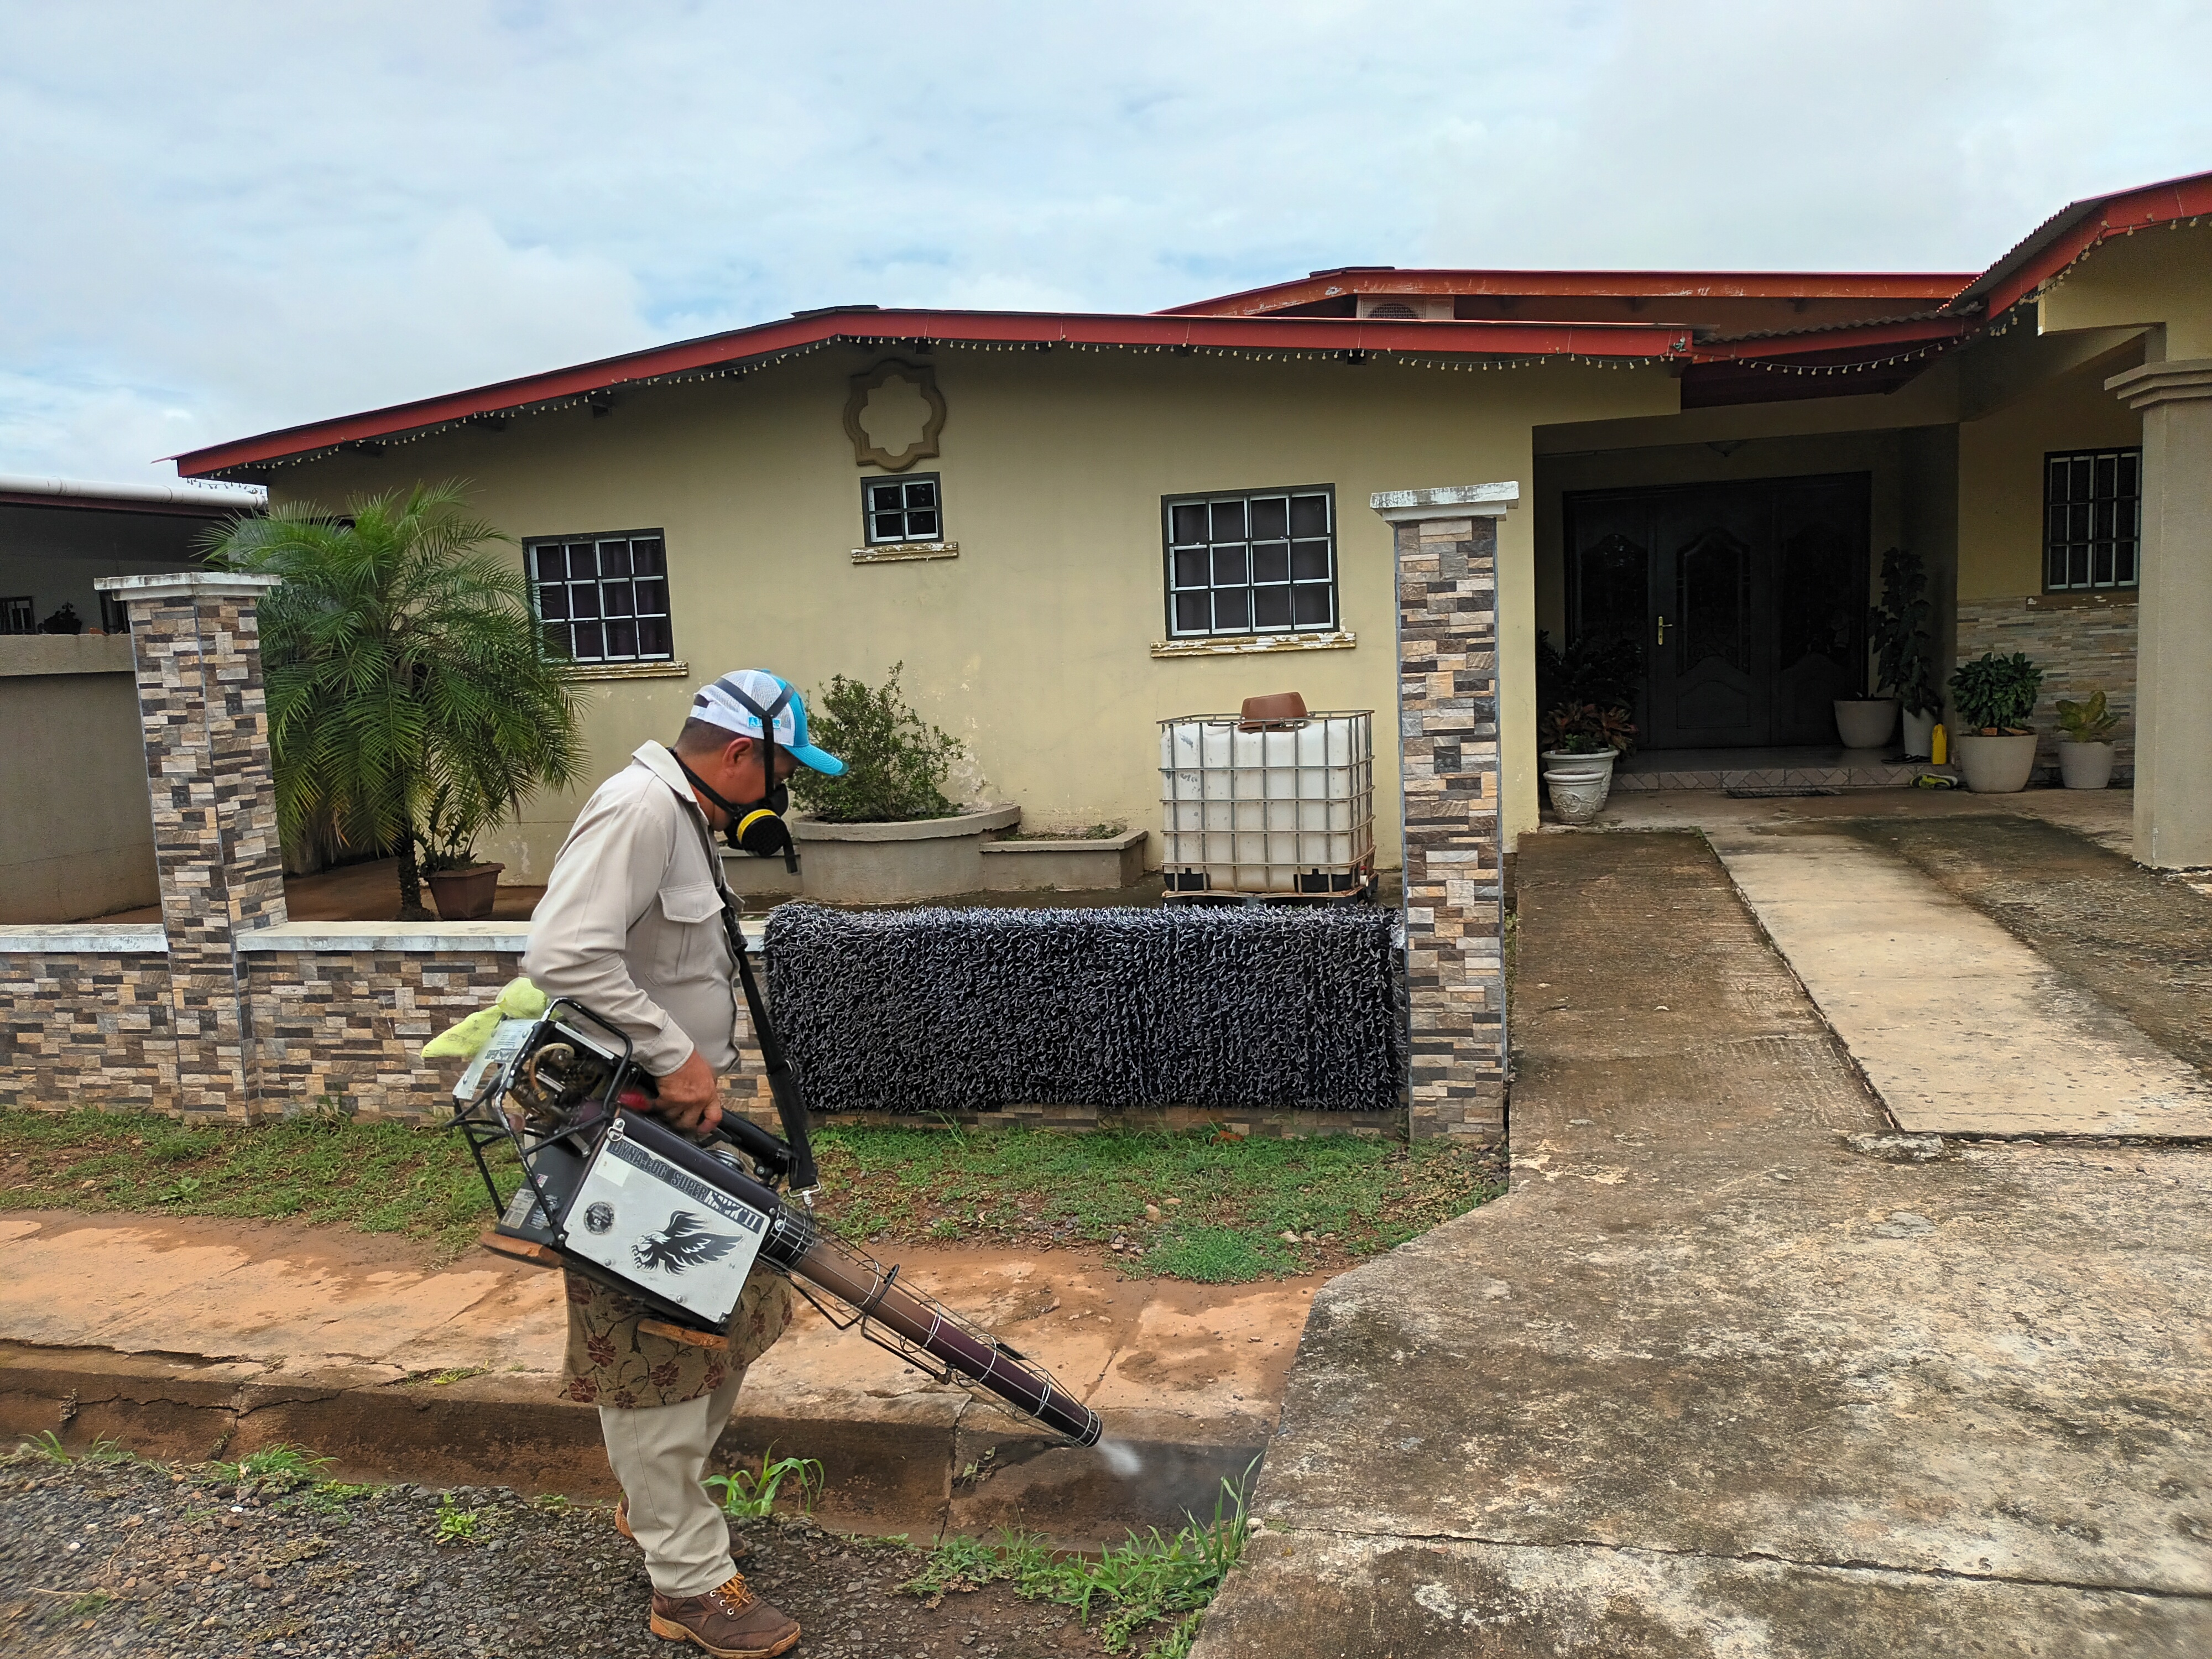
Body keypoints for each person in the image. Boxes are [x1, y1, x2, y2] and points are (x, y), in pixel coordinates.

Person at [522, 668, 844, 1659]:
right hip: (615, 1123)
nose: (783, 792)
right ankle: (689, 1583)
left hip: (666, 1120)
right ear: (742, 755)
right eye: (784, 771)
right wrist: (674, 1053)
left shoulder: (686, 814)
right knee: (660, 1341)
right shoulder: (640, 811)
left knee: (733, 1311)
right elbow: (563, 953)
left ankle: (654, 1502)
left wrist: (689, 1068)